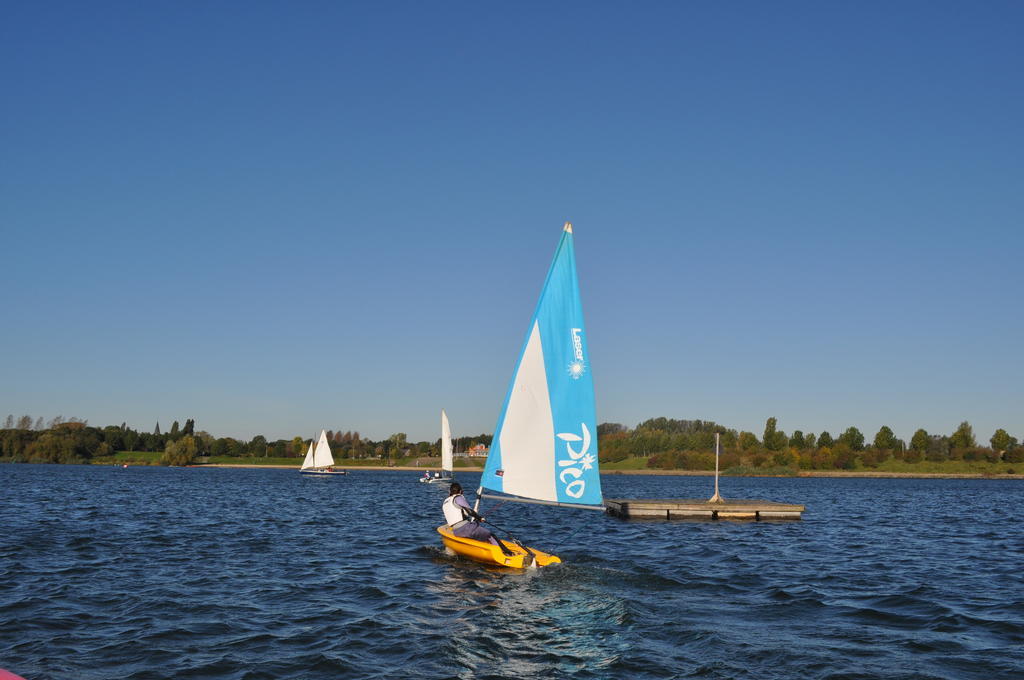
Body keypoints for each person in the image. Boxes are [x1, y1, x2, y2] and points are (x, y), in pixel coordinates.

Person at [442, 482, 513, 555]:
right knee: (490, 535)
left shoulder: (446, 501)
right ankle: (507, 554)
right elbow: (470, 512)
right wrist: (479, 518)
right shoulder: (458, 497)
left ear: (450, 492)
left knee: (478, 533)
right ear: (460, 491)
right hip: (466, 529)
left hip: (456, 532)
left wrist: (475, 519)